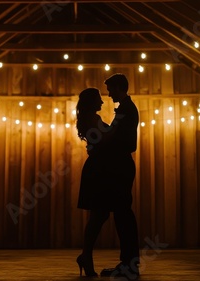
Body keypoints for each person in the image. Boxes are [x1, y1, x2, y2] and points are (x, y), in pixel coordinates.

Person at [99, 73, 140, 280]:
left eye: (110, 89)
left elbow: (115, 136)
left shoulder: (125, 109)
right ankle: (129, 263)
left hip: (122, 165)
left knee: (123, 214)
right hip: (122, 164)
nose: (108, 94)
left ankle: (129, 264)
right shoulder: (125, 108)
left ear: (119, 88)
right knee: (123, 213)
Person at [75, 87, 113, 277]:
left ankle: (86, 255)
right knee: (99, 214)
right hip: (97, 170)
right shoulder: (92, 121)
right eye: (99, 99)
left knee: (99, 214)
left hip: (98, 168)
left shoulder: (89, 119)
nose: (102, 102)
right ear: (91, 102)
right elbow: (104, 142)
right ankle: (86, 255)